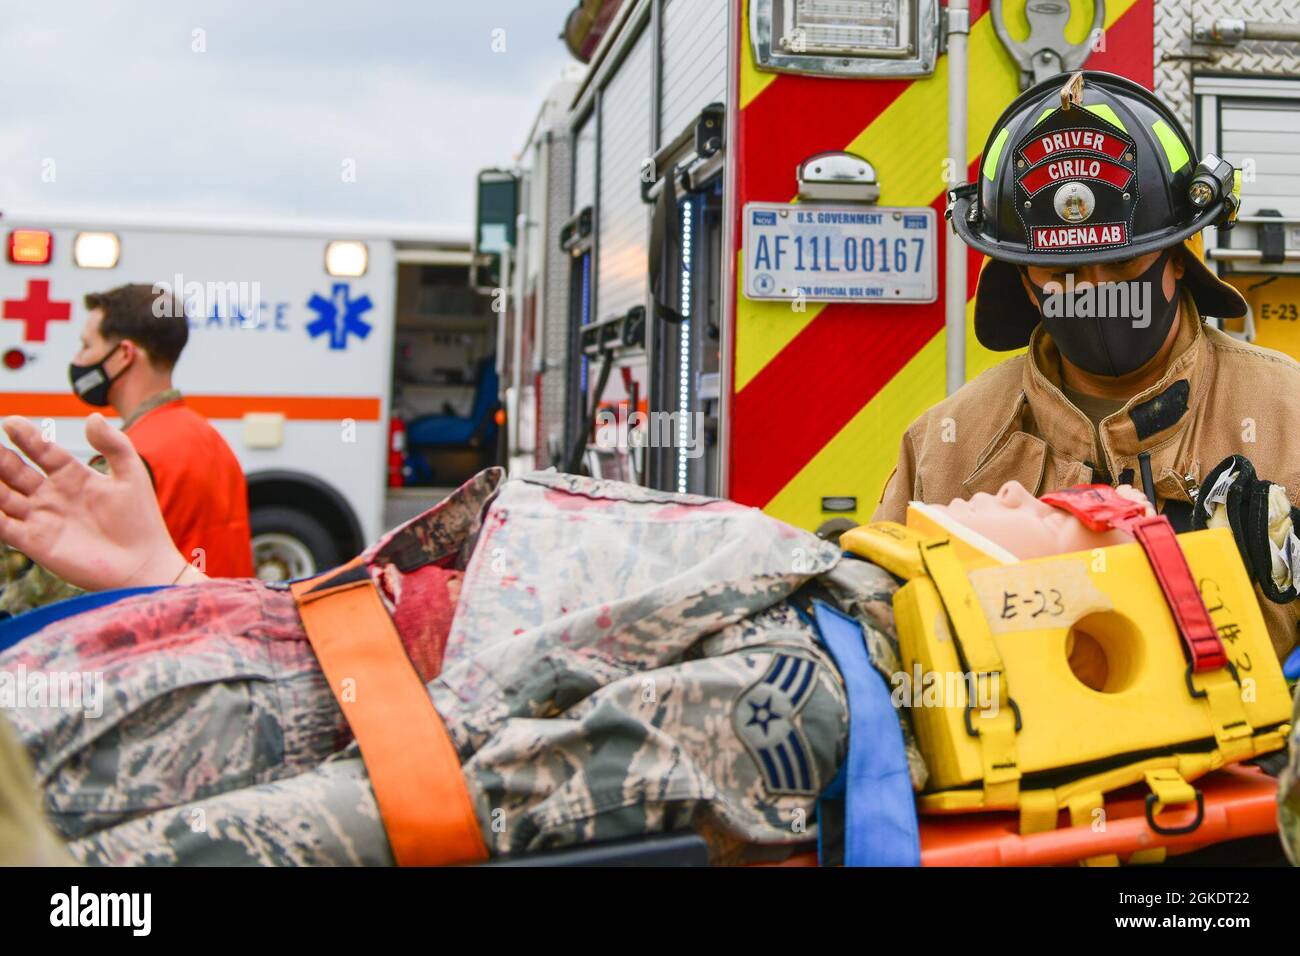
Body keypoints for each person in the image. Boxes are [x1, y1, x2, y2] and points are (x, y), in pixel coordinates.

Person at [0, 413, 1192, 866]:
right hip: (217, 666)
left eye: (1076, 516)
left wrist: (80, 896)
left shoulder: (806, 688)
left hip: (180, 730)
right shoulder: (819, 588)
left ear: (1061, 622)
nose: (1044, 487)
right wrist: (169, 583)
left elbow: (443, 799)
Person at [874, 70, 1300, 661]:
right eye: (1064, 274)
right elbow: (885, 650)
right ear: (1024, 282)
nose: (1093, 292)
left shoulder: (1287, 416)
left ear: (1178, 259)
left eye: (1124, 265)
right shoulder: (946, 447)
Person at [1, 283, 253, 614]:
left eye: (86, 345)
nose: (78, 360)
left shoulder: (130, 457)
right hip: (225, 627)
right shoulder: (209, 437)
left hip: (163, 637)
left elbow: (62, 586)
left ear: (123, 354)